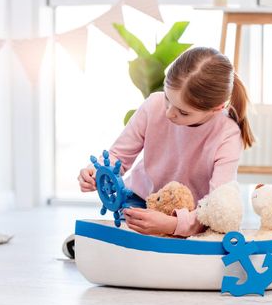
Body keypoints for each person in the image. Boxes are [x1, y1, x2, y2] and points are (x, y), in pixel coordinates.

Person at [75, 46, 254, 245]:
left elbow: (217, 204)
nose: (169, 113)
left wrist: (173, 225)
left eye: (183, 112)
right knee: (134, 242)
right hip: (141, 199)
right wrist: (97, 171)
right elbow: (119, 155)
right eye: (167, 99)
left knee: (183, 247)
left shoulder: (227, 134)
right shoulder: (153, 105)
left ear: (217, 108)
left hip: (192, 214)